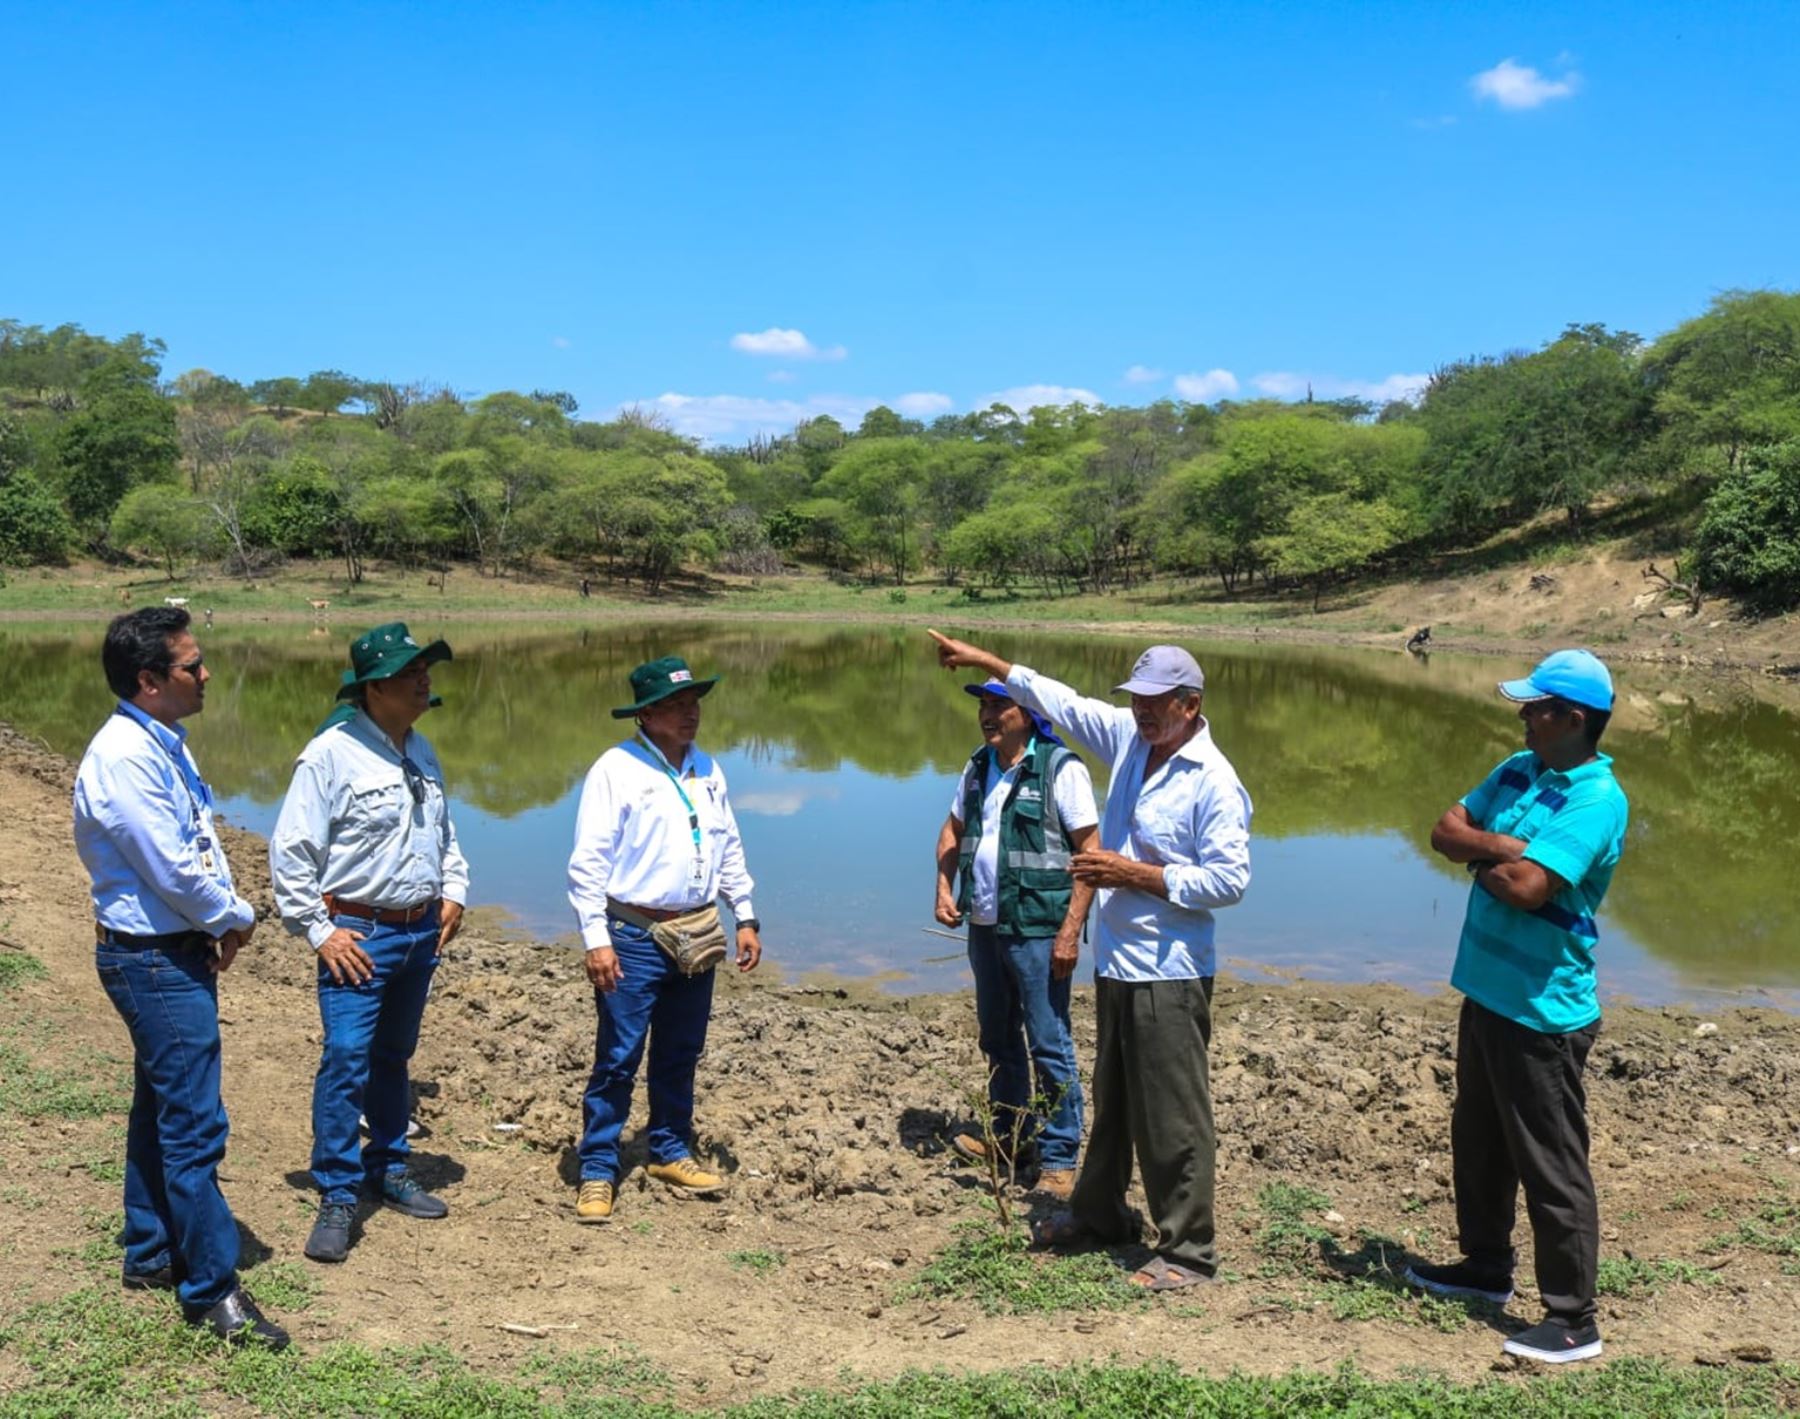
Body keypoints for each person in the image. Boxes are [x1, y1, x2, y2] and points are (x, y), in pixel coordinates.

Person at [928, 631, 1251, 1291]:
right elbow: (1062, 702)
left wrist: (1130, 872)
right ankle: (1101, 1215)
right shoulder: (1134, 744)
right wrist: (991, 663)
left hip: (1171, 966)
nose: (1143, 712)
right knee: (1115, 1102)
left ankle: (1188, 1250)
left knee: (1173, 1113)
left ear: (1191, 704)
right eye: (1137, 700)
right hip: (1121, 962)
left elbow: (1230, 880)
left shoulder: (1214, 780)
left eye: (1158, 702)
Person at [72, 608, 288, 1349]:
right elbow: (171, 867)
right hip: (152, 957)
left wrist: (216, 918)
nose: (206, 675)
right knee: (194, 1123)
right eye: (192, 666)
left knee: (159, 1106)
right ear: (149, 680)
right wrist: (235, 915)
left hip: (166, 950)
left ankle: (152, 1249)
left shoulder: (158, 743)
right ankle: (211, 1291)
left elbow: (193, 842)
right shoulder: (126, 756)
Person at [1405, 650, 1628, 1365]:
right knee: (1478, 1139)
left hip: (1543, 1011)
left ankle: (1572, 1317)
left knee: (1551, 1161)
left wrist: (1490, 859)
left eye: (1536, 706)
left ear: (1574, 718)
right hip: (1487, 989)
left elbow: (1532, 888)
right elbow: (1444, 829)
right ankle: (1485, 1267)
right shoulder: (1517, 767)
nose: (1522, 715)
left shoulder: (1597, 797)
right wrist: (1498, 845)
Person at [269, 622, 469, 1264]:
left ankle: (388, 1165)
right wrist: (320, 932)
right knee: (347, 1056)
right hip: (360, 933)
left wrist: (456, 892)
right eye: (412, 673)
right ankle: (337, 1189)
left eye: (425, 669)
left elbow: (446, 837)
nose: (424, 680)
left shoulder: (423, 750)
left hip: (418, 932)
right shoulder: (329, 754)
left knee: (393, 1056)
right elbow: (290, 854)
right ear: (375, 687)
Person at [566, 656, 763, 1224]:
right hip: (633, 933)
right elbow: (587, 864)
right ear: (646, 714)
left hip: (697, 931)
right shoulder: (617, 768)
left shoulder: (708, 769)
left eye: (694, 702)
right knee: (619, 1056)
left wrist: (744, 914)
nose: (690, 714)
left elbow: (727, 846)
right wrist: (595, 938)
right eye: (676, 706)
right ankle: (598, 1167)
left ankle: (670, 1150)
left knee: (681, 1051)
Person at [933, 679, 1099, 1200]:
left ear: (1027, 714)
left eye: (999, 705)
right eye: (983, 705)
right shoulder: (977, 766)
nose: (987, 715)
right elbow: (952, 831)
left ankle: (1058, 1156)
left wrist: (1071, 932)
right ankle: (1009, 1137)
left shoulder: (1060, 769)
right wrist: (943, 887)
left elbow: (1090, 856)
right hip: (985, 927)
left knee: (1049, 1043)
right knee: (999, 1039)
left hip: (1039, 929)